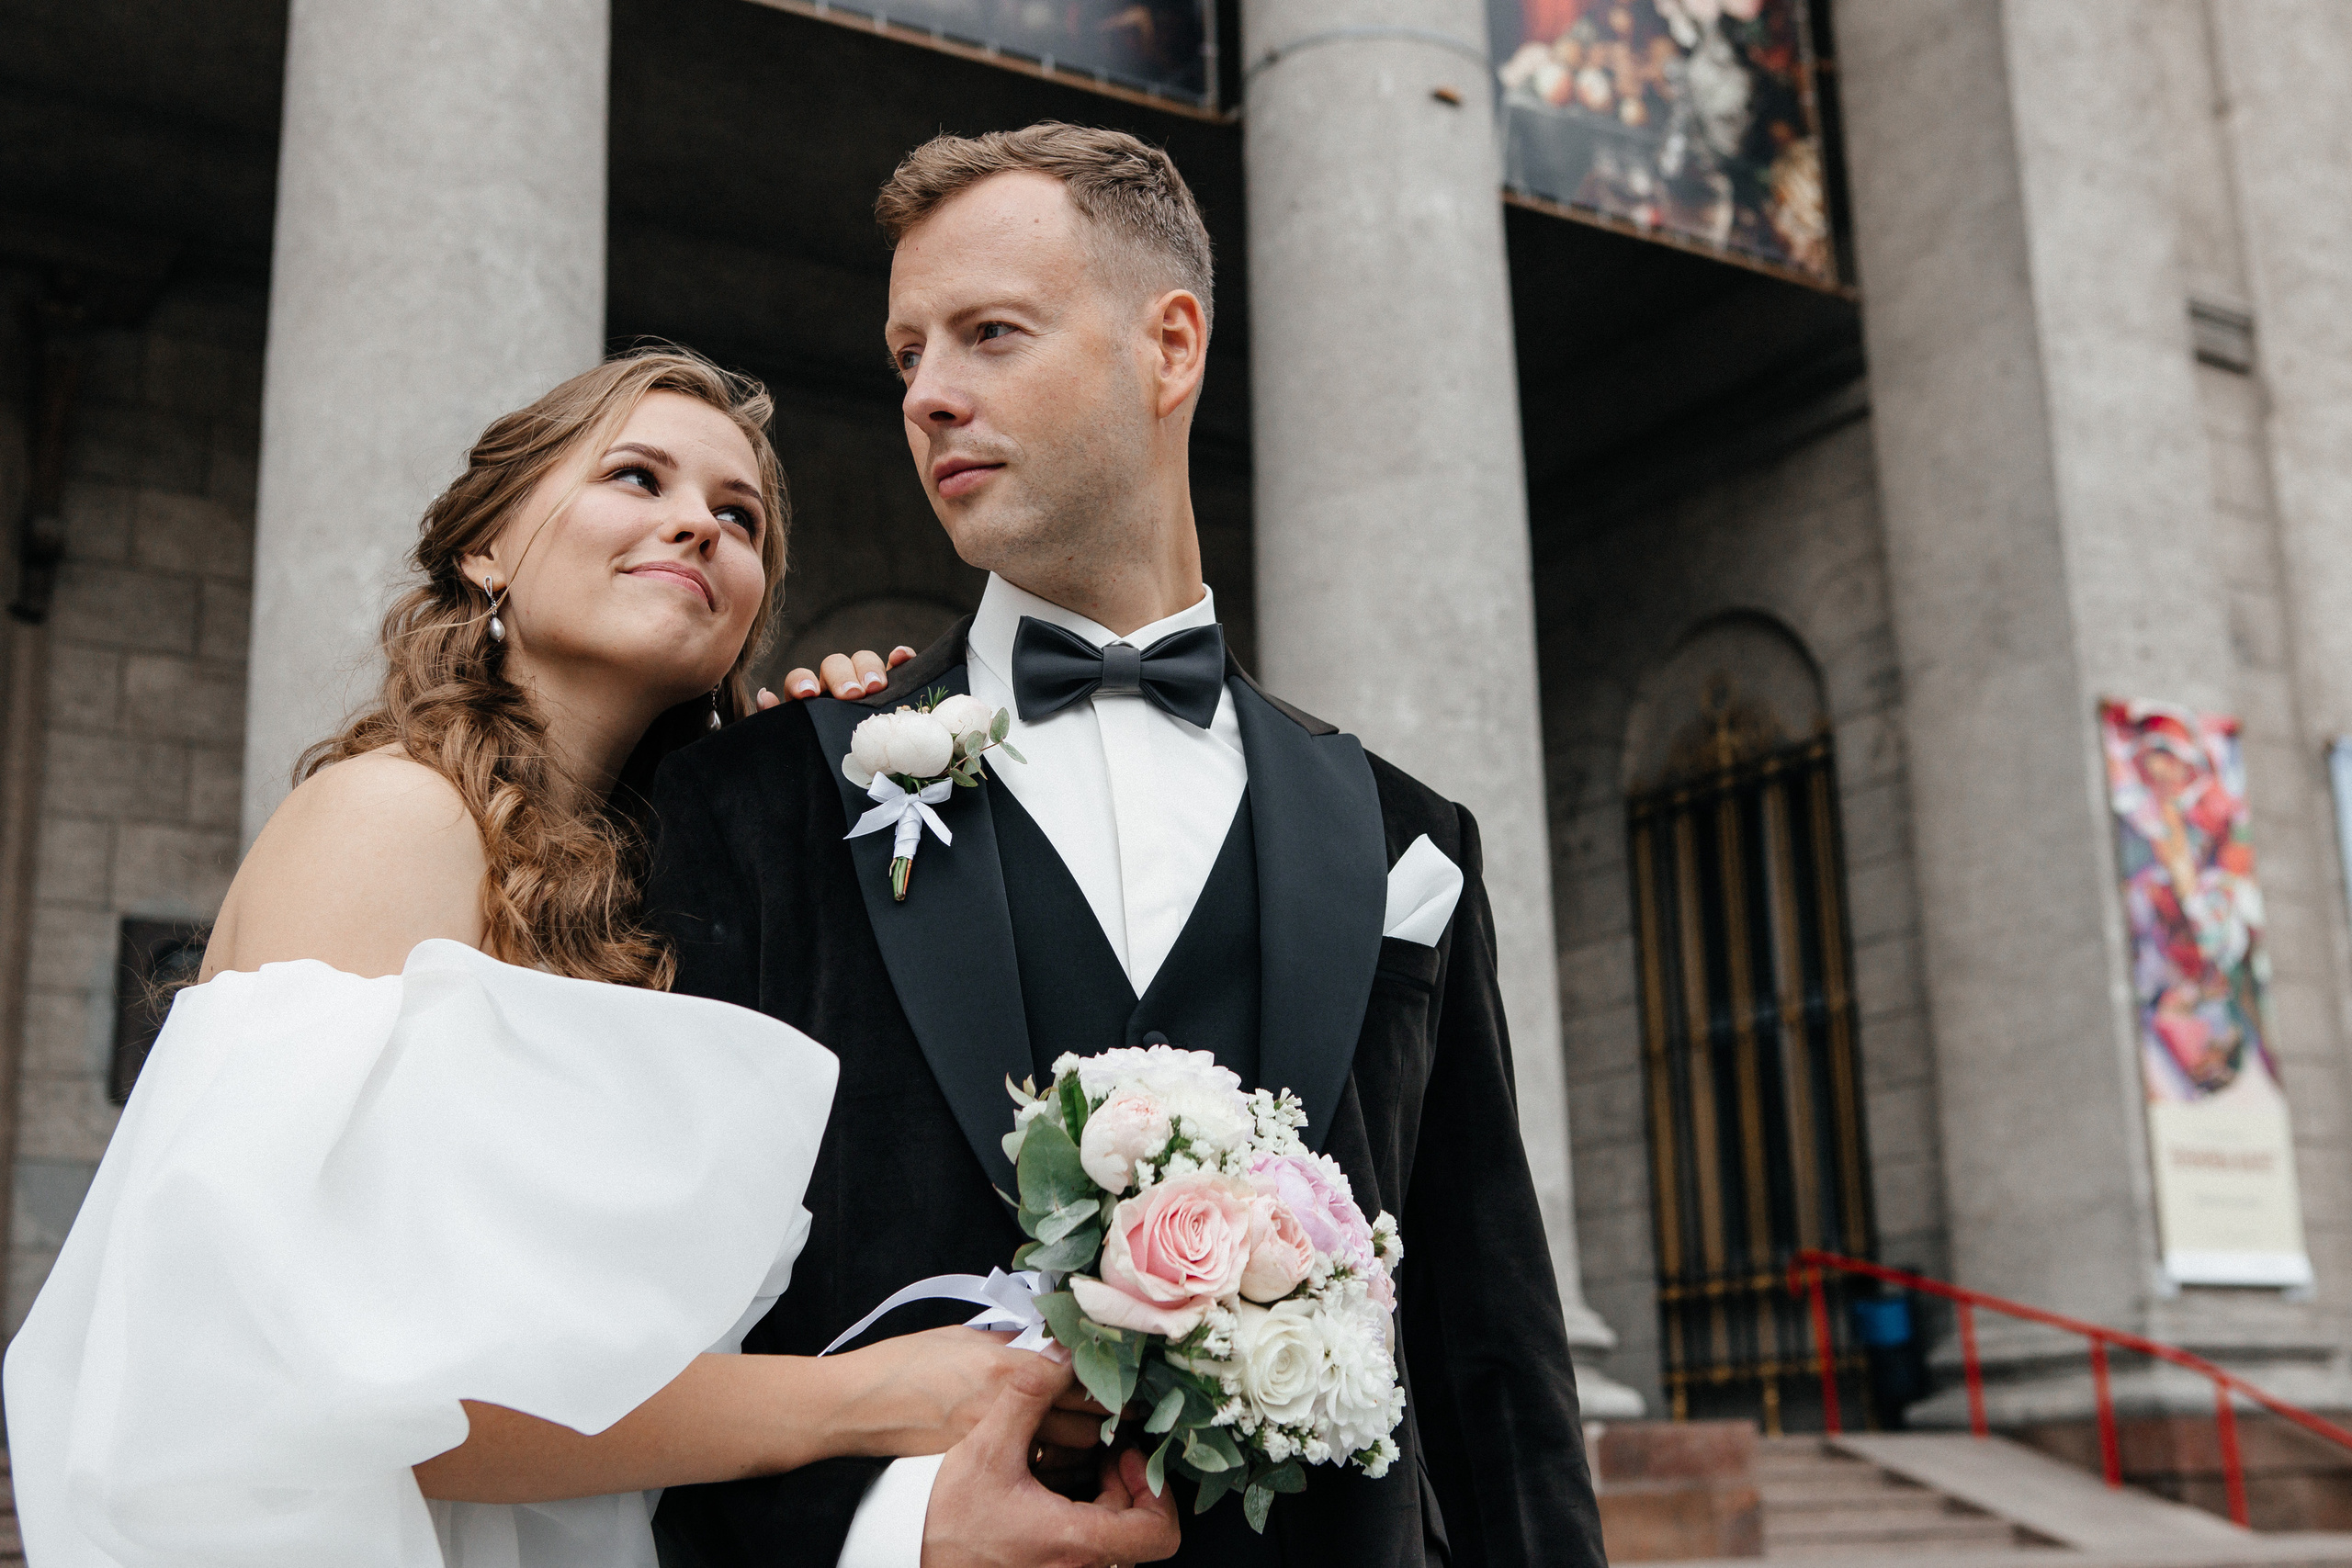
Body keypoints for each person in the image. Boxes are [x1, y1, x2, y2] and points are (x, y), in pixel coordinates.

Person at [2, 348, 1179, 1568]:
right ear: (486, 548)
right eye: (636, 477)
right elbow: (338, 1383)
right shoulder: (392, 819)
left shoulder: (637, 898)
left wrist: (825, 781)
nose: (699, 524)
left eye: (740, 517)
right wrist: (875, 1396)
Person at [647, 125, 1605, 1568]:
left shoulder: (1408, 839)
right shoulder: (756, 801)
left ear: (1170, 349)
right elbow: (663, 1339)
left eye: (989, 333)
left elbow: (1492, 1357)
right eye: (907, 353)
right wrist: (893, 1532)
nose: (927, 395)